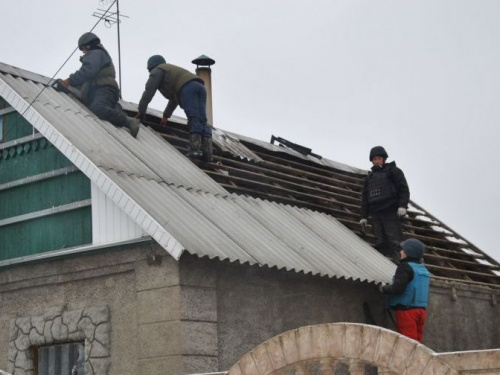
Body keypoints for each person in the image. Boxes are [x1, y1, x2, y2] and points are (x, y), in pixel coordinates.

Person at [60, 32, 140, 138]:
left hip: (104, 88)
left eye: (83, 49)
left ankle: (129, 121)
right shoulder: (99, 54)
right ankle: (115, 109)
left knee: (98, 108)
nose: (83, 52)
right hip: (103, 88)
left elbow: (88, 71)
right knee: (98, 105)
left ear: (87, 45)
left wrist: (69, 81)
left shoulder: (94, 53)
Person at [136, 55, 213, 162]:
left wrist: (141, 110)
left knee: (194, 118)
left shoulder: (157, 71)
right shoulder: (172, 72)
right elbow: (175, 98)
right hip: (200, 87)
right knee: (202, 120)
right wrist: (166, 115)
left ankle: (196, 149)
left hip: (188, 88)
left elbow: (149, 92)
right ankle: (208, 153)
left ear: (151, 67)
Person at [359, 146, 410, 260]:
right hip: (376, 214)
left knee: (394, 241)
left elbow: (403, 189)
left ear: (384, 159)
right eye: (375, 159)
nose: (377, 161)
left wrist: (402, 206)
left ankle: (399, 266)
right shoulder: (369, 178)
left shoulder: (394, 171)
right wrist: (363, 216)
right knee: (380, 242)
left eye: (379, 158)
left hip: (390, 211)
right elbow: (365, 199)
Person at [380, 238, 430, 343]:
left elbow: (397, 288)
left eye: (403, 250)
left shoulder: (405, 267)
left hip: (407, 312)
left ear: (408, 252)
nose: (401, 252)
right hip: (421, 312)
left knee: (408, 345)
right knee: (418, 344)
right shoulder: (423, 269)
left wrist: (383, 288)